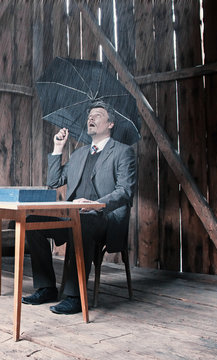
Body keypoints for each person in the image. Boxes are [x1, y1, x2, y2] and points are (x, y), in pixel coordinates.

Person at [22, 100, 136, 314]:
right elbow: (54, 181)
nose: (91, 118)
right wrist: (58, 148)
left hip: (104, 218)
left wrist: (95, 205)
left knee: (82, 222)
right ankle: (46, 287)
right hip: (73, 216)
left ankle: (75, 296)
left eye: (98, 115)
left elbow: (125, 191)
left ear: (111, 123)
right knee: (32, 222)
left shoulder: (123, 152)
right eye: (90, 115)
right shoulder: (79, 154)